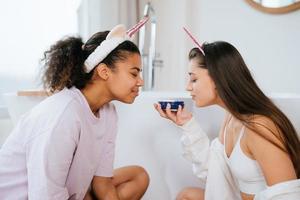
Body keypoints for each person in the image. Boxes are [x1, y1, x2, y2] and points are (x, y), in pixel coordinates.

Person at [0, 20, 150, 200]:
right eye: (134, 73)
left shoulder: (108, 113)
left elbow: (102, 184)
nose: (140, 81)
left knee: (138, 176)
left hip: (63, 193)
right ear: (104, 72)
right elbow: (45, 195)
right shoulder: (63, 115)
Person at [155, 32, 300, 199]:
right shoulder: (231, 118)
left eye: (194, 80)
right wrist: (188, 124)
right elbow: (215, 172)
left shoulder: (260, 127)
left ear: (218, 79)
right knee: (187, 195)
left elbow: (287, 196)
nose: (188, 87)